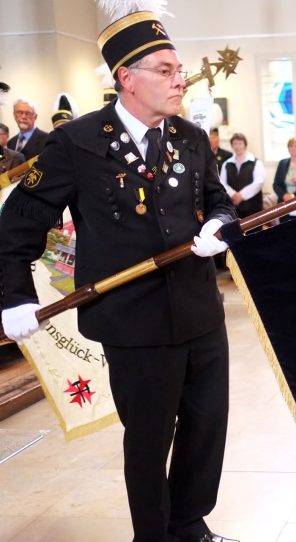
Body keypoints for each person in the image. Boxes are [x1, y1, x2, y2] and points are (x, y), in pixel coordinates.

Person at [0, 10, 238, 542]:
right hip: (134, 321)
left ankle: (189, 526)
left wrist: (220, 225)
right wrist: (13, 295)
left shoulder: (193, 138)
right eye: (164, 69)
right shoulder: (78, 143)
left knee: (206, 429)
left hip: (200, 313)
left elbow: (220, 201)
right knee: (151, 438)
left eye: (180, 68)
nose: (180, 78)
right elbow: (18, 220)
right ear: (126, 78)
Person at [219, 132, 266, 220]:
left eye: (240, 143)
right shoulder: (227, 163)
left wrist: (241, 195)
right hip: (234, 208)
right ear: (232, 146)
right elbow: (222, 182)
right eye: (235, 144)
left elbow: (259, 182)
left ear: (245, 145)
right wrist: (233, 194)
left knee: (254, 232)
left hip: (252, 207)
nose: (237, 146)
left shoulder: (255, 162)